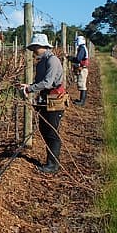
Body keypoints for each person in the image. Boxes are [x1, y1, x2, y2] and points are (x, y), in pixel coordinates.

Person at [18, 33, 67, 174]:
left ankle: (53, 165)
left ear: (42, 46)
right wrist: (29, 85)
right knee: (44, 129)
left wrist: (30, 88)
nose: (33, 50)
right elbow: (40, 83)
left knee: (52, 132)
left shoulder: (52, 61)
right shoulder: (42, 61)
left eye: (35, 47)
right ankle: (50, 161)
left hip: (55, 99)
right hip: (45, 99)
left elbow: (47, 83)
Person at [67, 35, 89, 106]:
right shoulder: (83, 48)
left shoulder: (82, 48)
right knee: (82, 84)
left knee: (82, 85)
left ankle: (82, 102)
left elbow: (78, 59)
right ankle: (81, 100)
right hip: (83, 68)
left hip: (83, 69)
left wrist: (69, 58)